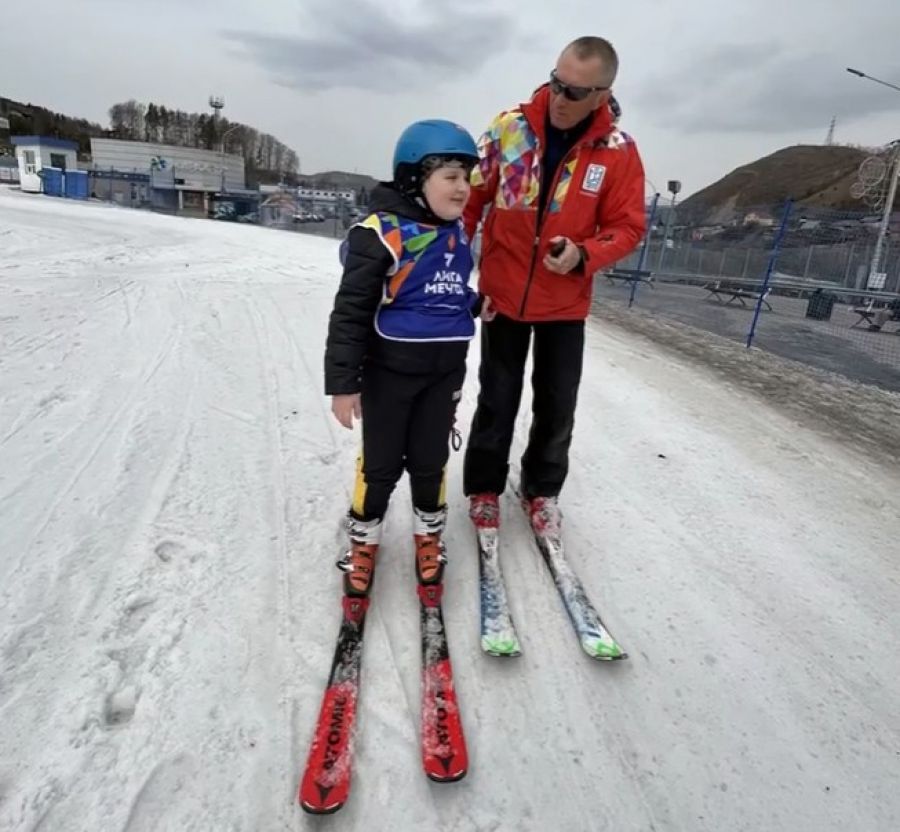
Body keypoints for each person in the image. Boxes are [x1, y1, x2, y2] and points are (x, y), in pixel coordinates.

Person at [462, 36, 646, 533]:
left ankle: (541, 491)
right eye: (556, 83)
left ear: (603, 96)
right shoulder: (509, 128)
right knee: (496, 396)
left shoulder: (618, 152)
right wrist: (456, 269)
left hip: (564, 303)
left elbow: (627, 226)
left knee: (556, 402)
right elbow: (471, 200)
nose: (561, 99)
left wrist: (586, 254)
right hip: (502, 294)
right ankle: (483, 488)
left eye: (575, 92)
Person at [324, 119, 493, 597]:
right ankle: (363, 539)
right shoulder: (381, 233)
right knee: (380, 464)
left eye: (467, 176)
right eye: (451, 177)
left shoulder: (456, 232)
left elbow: (447, 291)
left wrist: (478, 304)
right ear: (415, 180)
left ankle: (428, 536)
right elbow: (350, 312)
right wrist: (343, 383)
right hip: (388, 375)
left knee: (429, 459)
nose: (463, 188)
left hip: (443, 374)